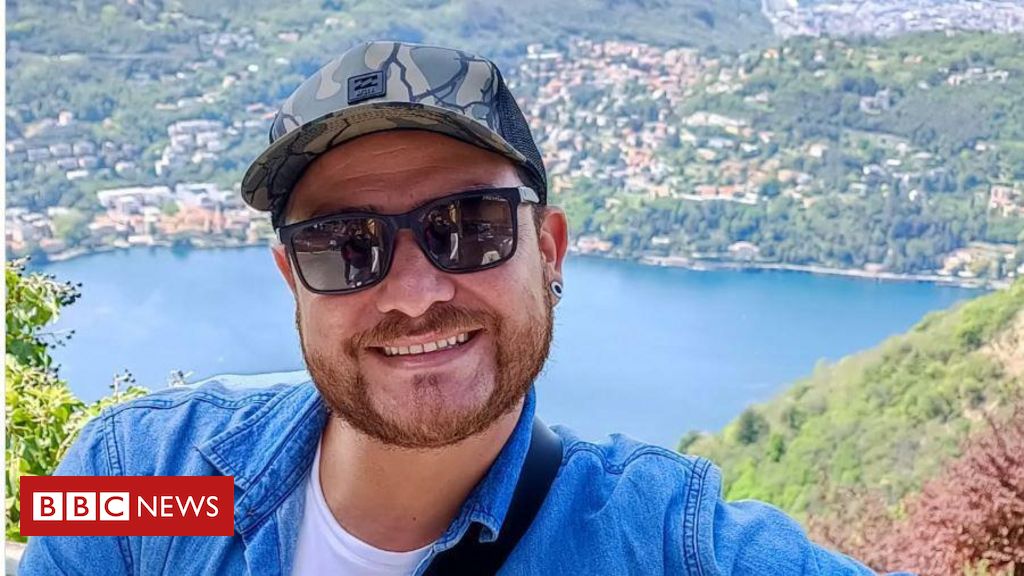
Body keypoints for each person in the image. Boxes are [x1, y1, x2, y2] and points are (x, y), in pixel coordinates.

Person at [21, 40, 898, 575]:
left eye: (469, 228)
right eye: (345, 245)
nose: (414, 294)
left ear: (548, 250)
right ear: (293, 278)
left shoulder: (666, 541)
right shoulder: (143, 476)